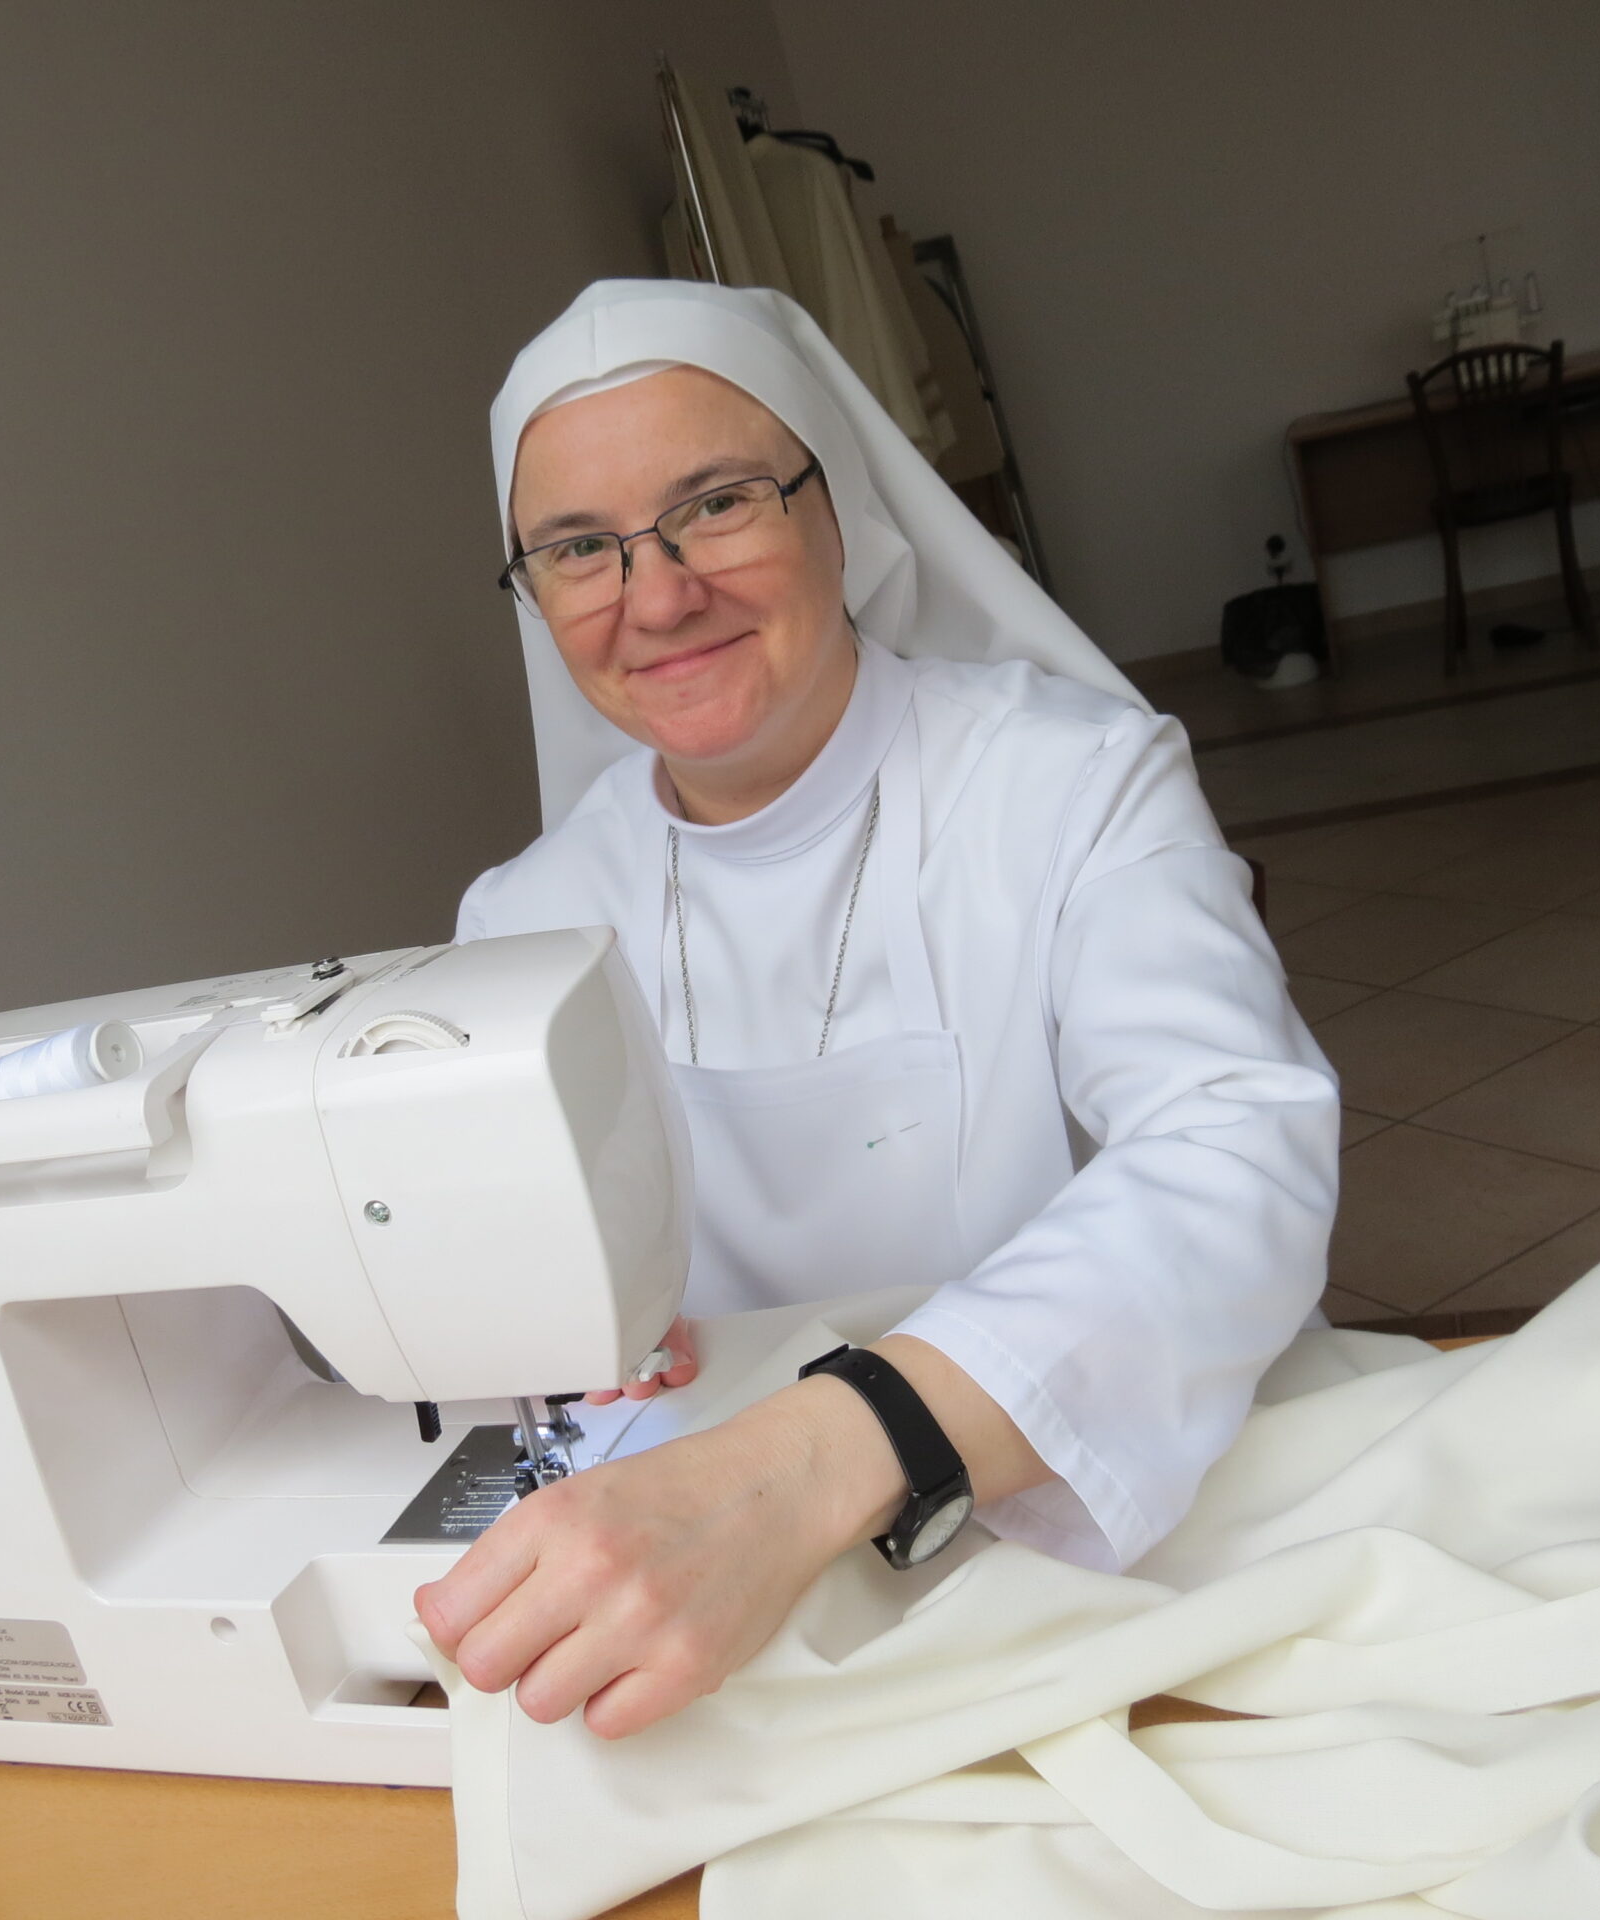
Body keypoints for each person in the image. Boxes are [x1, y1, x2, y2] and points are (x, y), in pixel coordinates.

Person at [414, 280, 1338, 1743]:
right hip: (731, 1581)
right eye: (580, 547)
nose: (657, 597)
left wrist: (825, 1454)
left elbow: (1235, 1152)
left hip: (1106, 1502)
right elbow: (511, 1289)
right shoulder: (520, 920)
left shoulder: (1073, 780)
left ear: (838, 509)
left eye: (716, 504)